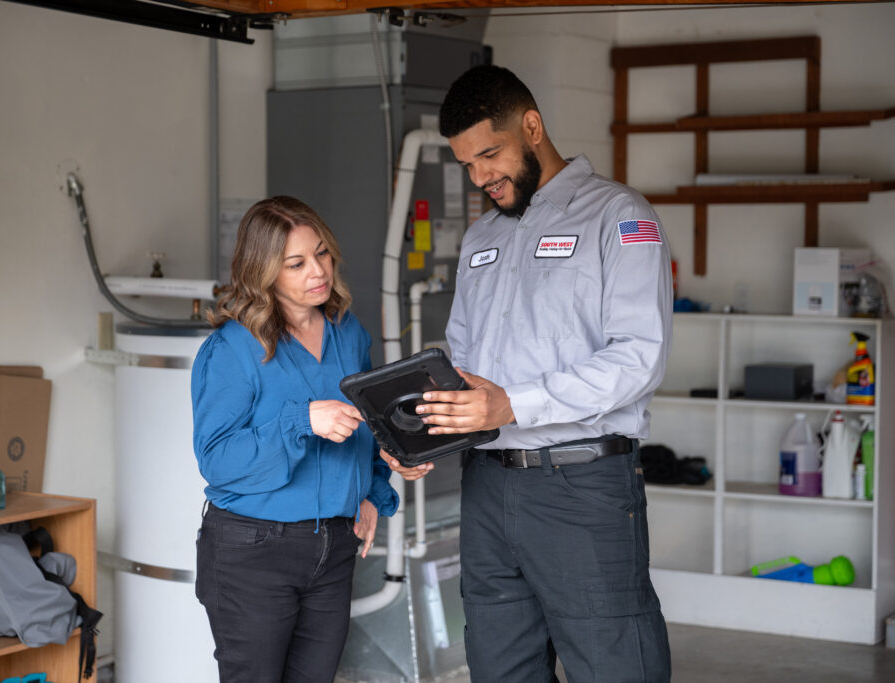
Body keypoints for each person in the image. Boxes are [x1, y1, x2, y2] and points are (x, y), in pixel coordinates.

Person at [382, 65, 673, 682]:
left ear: (532, 128)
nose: (481, 177)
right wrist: (424, 433)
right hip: (487, 489)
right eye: (467, 165)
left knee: (613, 665)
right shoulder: (481, 238)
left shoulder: (618, 217)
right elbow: (461, 365)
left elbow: (637, 357)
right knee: (500, 666)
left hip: (581, 487)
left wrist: (514, 405)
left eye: (490, 155)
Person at [191, 195, 399, 682]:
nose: (318, 271)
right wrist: (301, 420)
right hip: (253, 552)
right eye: (297, 263)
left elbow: (369, 424)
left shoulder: (348, 332)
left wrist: (372, 492)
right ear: (263, 271)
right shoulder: (231, 348)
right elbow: (218, 460)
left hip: (333, 546)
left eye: (322, 254)